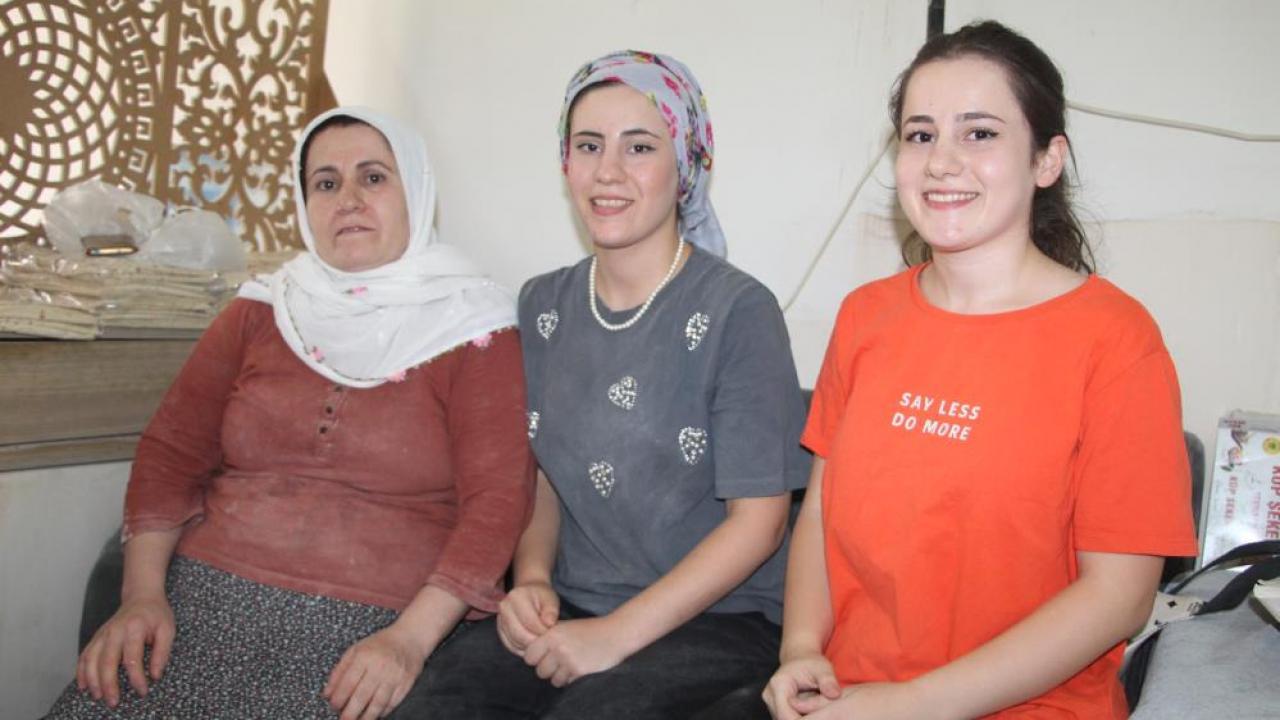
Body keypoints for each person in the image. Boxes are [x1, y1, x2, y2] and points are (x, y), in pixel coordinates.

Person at [759, 21, 1198, 720]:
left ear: (1047, 160)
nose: (941, 161)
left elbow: (1119, 597)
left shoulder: (1117, 341)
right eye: (920, 134)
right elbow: (820, 511)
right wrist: (801, 649)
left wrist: (911, 705)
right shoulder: (865, 316)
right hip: (850, 699)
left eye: (980, 133)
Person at [45, 107, 534, 720]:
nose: (348, 200)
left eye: (373, 178)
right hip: (201, 601)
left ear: (416, 190)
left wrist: (408, 642)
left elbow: (498, 503)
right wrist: (141, 597)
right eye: (326, 183)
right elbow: (171, 453)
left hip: (370, 625)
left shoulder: (476, 329)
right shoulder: (259, 311)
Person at [415, 50, 810, 719]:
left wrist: (614, 636)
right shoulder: (543, 305)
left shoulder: (739, 311)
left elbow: (759, 524)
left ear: (685, 166)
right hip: (573, 603)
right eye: (589, 145)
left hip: (721, 620)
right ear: (565, 160)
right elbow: (543, 474)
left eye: (640, 147)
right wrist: (532, 581)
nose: (608, 171)